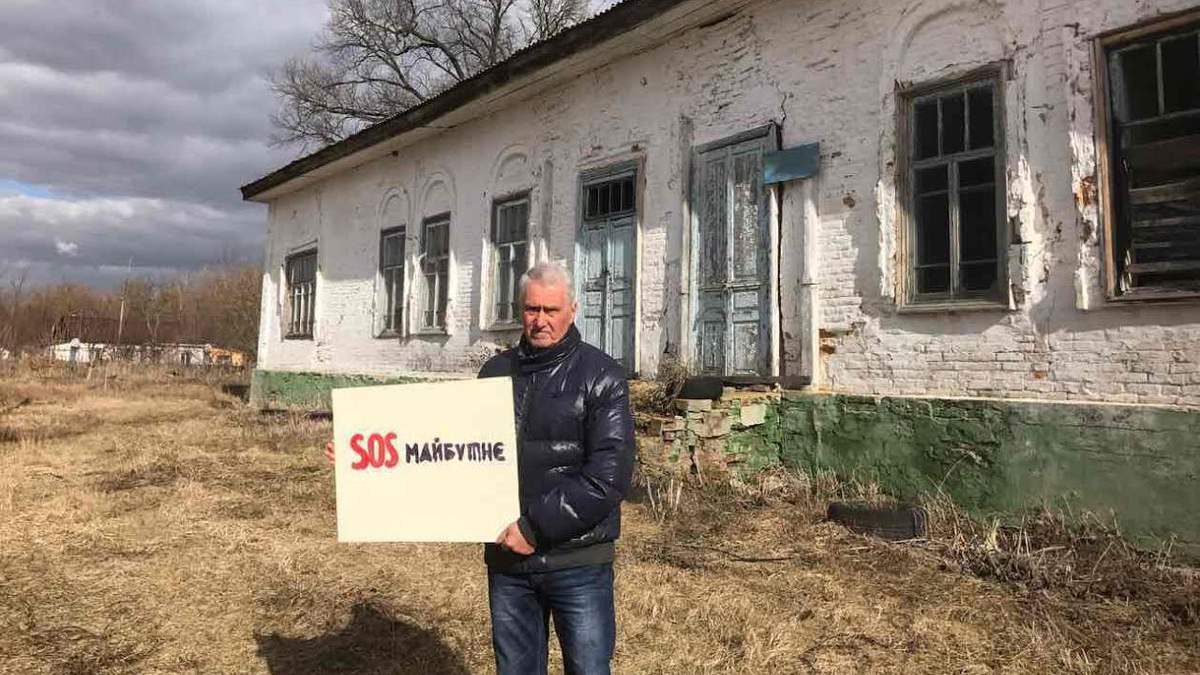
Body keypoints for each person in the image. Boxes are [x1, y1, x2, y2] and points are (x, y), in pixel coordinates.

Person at [324, 261, 635, 675]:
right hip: (508, 563)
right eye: (531, 309)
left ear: (573, 310)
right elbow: (447, 451)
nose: (540, 320)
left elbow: (608, 477)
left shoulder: (602, 376)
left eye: (551, 310)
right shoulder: (495, 373)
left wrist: (534, 528)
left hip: (577, 561)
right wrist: (360, 459)